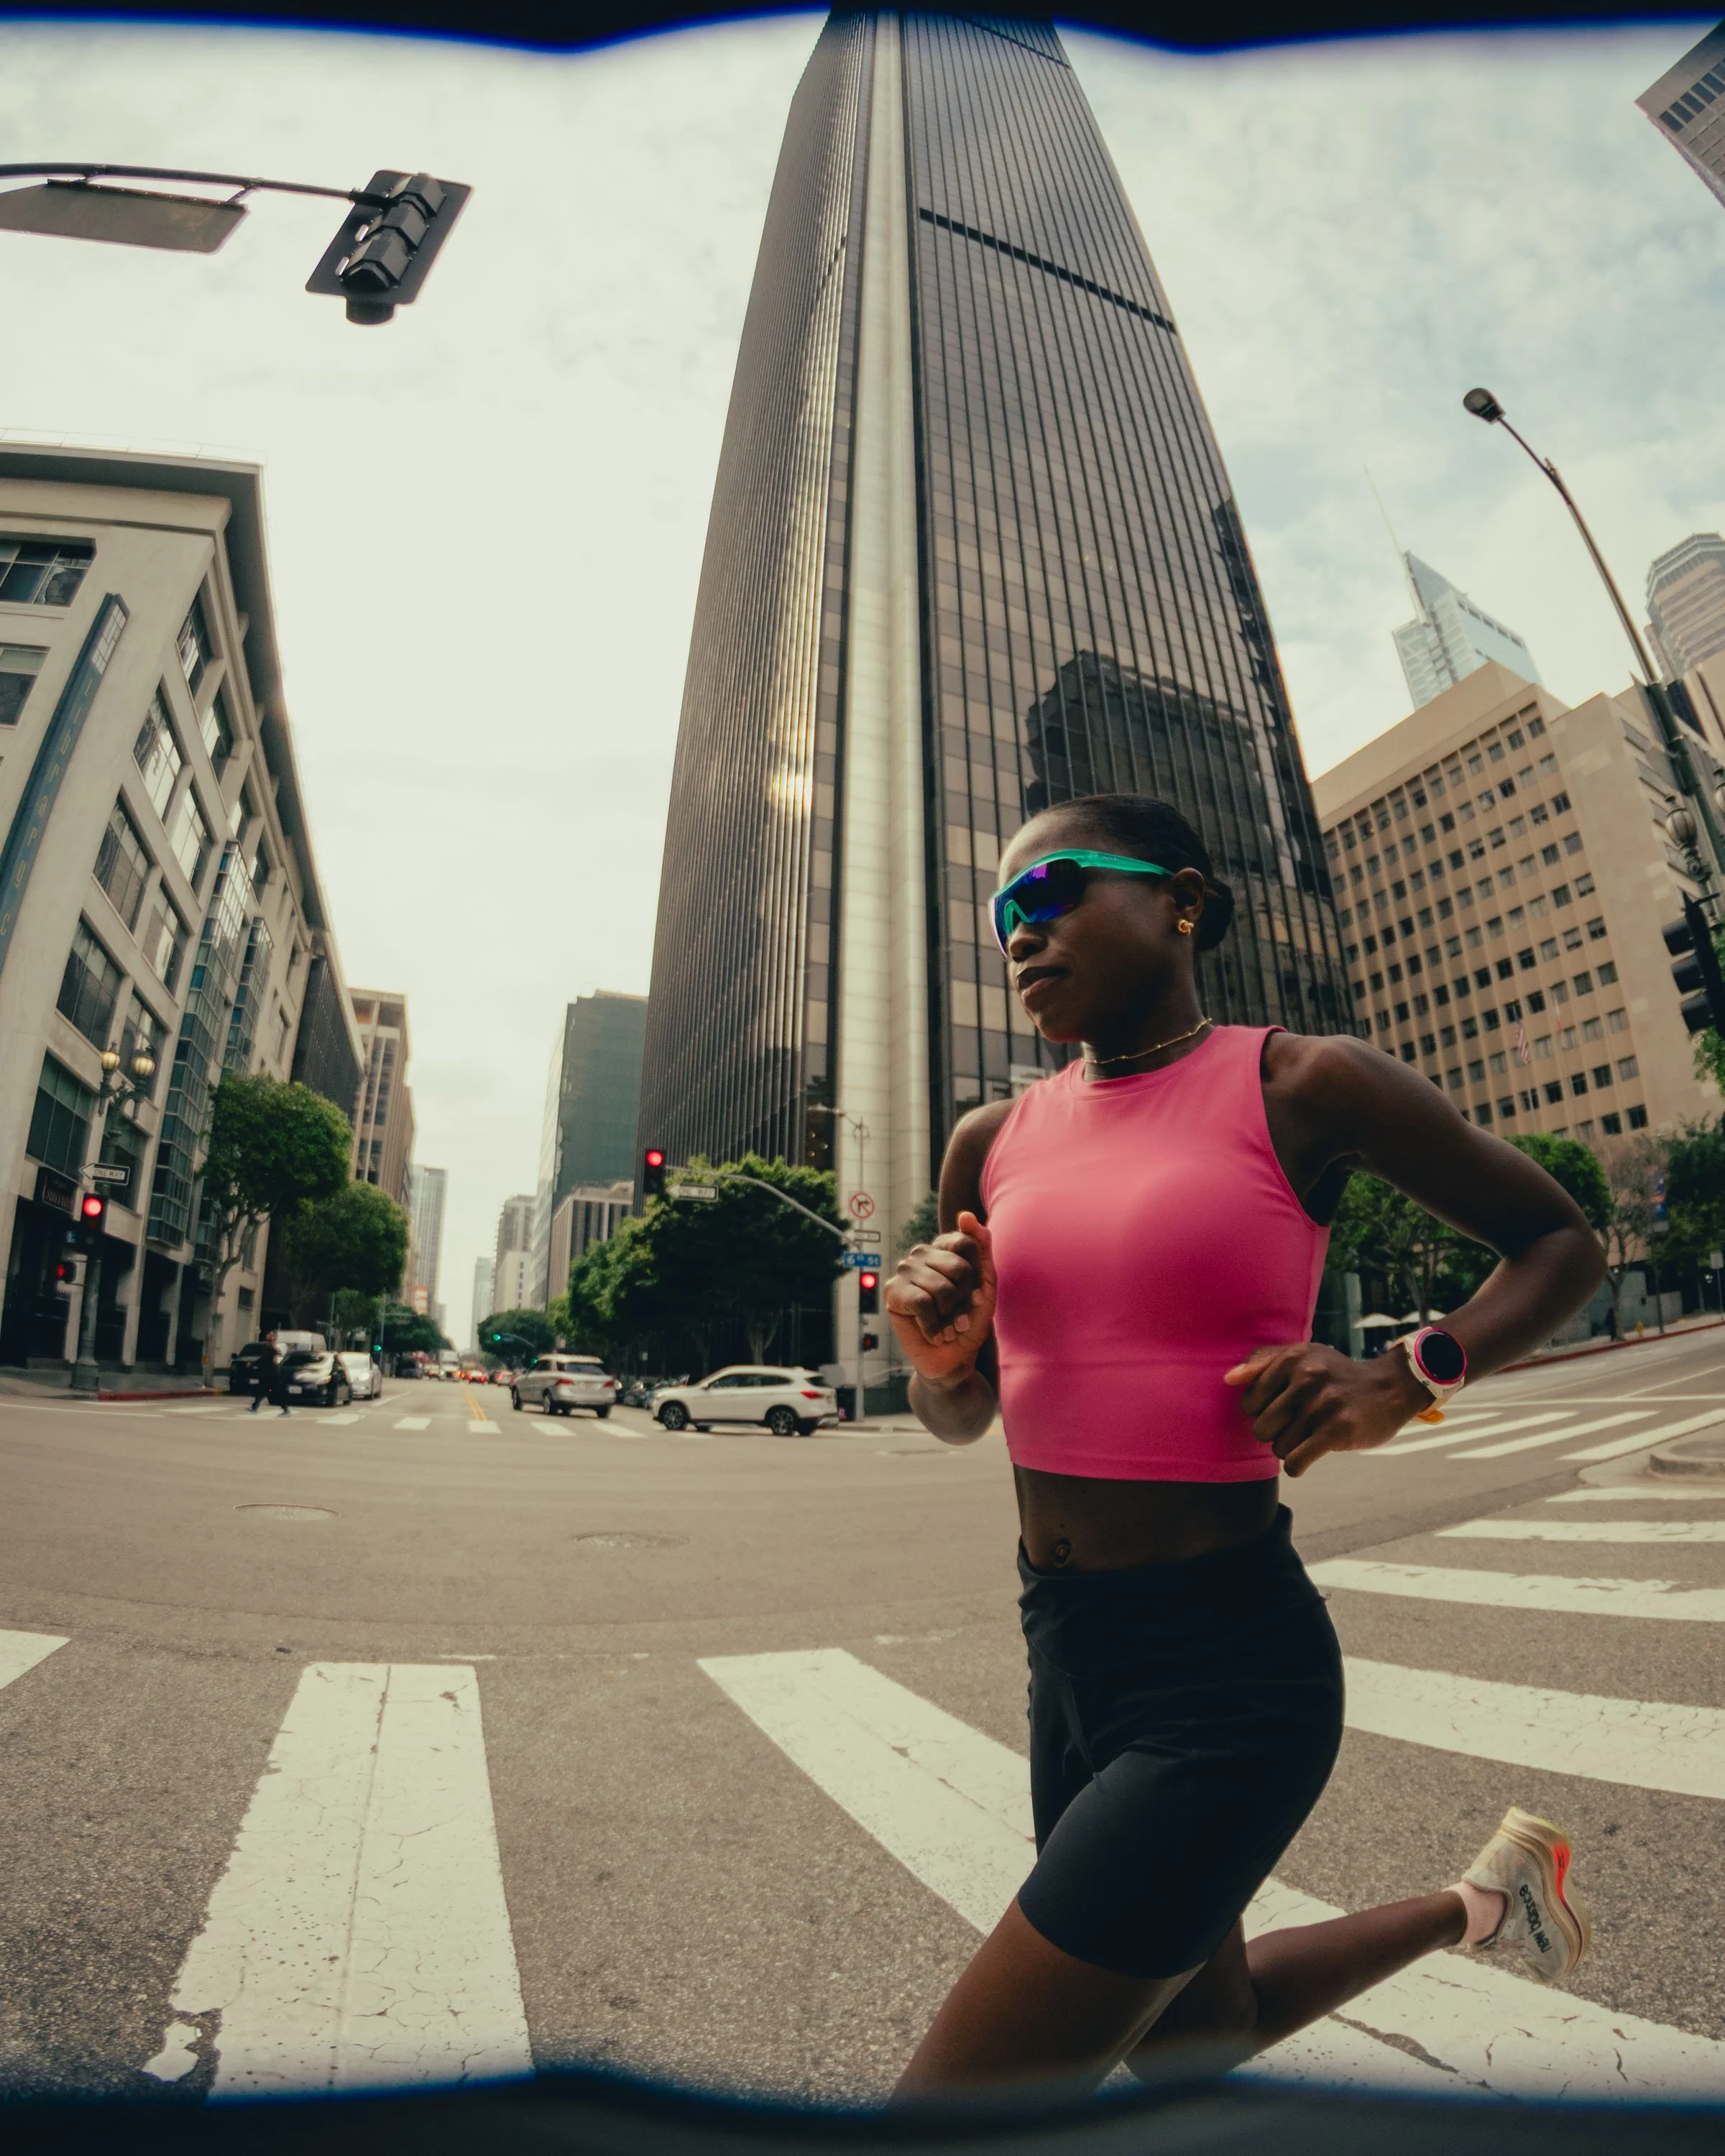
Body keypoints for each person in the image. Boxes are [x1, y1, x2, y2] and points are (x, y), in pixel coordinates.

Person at [884, 793, 1604, 2098]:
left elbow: (1562, 1242)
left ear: (1182, 901)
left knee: (959, 2105)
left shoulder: (1303, 1083)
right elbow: (962, 1411)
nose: (1020, 934)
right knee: (1184, 2039)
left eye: (1052, 893)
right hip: (1067, 1655)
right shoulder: (988, 1145)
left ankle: (1489, 1909)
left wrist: (1407, 1375)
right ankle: (1489, 1907)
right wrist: (938, 1359)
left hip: (1227, 1676)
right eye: (1004, 915)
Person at [249, 1332, 279, 1416]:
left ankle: (285, 1409)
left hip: (271, 1374)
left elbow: (263, 1359)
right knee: (262, 1390)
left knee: (273, 1391)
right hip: (269, 1373)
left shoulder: (271, 1348)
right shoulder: (272, 1347)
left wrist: (252, 1364)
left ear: (273, 1337)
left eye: (269, 1335)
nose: (267, 1335)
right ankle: (254, 1407)